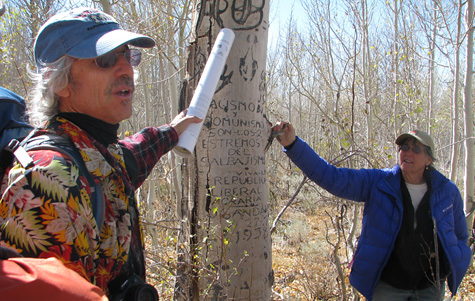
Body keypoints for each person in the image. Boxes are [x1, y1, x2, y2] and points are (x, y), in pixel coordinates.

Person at [0, 7, 201, 298]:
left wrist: (173, 130)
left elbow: (136, 152)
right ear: (62, 82)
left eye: (128, 55)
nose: (126, 69)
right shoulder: (47, 178)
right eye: (105, 60)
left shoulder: (100, 155)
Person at [272, 122, 471, 300]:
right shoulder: (378, 183)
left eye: (416, 149)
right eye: (404, 147)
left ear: (429, 159)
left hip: (430, 287)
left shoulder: (447, 192)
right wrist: (293, 145)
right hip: (387, 287)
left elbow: (460, 235)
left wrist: (453, 265)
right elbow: (332, 177)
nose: (407, 153)